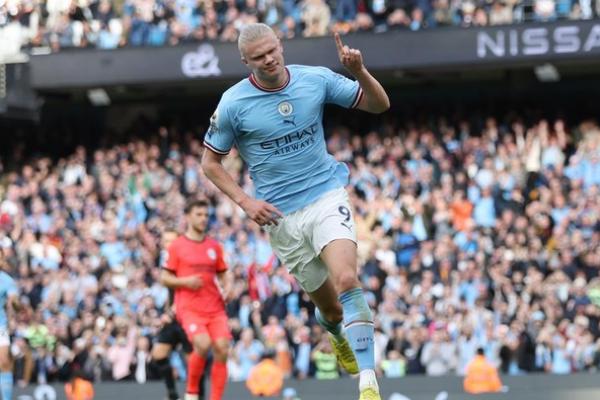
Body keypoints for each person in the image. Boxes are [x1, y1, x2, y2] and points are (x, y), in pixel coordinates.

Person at [201, 22, 389, 400]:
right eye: (258, 57)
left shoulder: (314, 80)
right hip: (281, 217)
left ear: (281, 45)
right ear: (245, 61)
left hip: (325, 196)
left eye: (272, 50)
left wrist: (358, 72)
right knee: (332, 310)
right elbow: (210, 164)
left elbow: (379, 104)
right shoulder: (233, 104)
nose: (268, 59)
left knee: (348, 278)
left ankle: (367, 379)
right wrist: (246, 202)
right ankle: (336, 334)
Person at [160, 199, 233, 400]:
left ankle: (215, 398)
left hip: (215, 307)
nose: (203, 219)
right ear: (188, 217)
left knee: (223, 348)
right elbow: (164, 277)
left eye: (206, 215)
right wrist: (185, 281)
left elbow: (224, 273)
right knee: (202, 343)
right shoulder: (176, 246)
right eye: (199, 215)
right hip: (190, 307)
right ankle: (191, 392)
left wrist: (228, 287)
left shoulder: (214, 246)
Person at [152, 228, 206, 400]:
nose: (167, 244)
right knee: (158, 354)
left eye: (171, 241)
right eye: (165, 241)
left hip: (188, 316)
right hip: (174, 317)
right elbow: (171, 293)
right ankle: (172, 393)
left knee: (194, 364)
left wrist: (173, 310)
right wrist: (166, 312)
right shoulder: (167, 262)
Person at [0, 240, 20, 400]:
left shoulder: (6, 280)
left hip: (0, 326)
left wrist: (15, 304)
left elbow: (14, 300)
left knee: (4, 362)